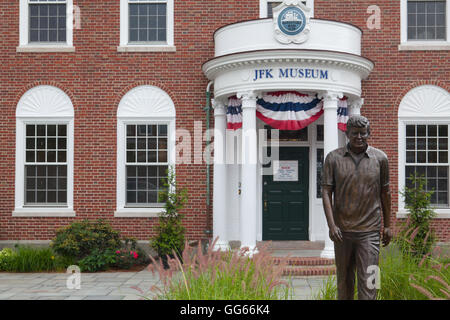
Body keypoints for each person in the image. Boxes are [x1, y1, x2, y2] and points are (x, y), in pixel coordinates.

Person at [322, 115, 392, 300]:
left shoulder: (381, 159)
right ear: (347, 134)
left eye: (363, 133)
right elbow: (326, 192)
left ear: (369, 133)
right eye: (355, 133)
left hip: (370, 231)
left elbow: (385, 193)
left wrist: (388, 225)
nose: (359, 137)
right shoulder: (333, 158)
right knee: (344, 281)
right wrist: (331, 225)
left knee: (371, 280)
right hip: (342, 231)